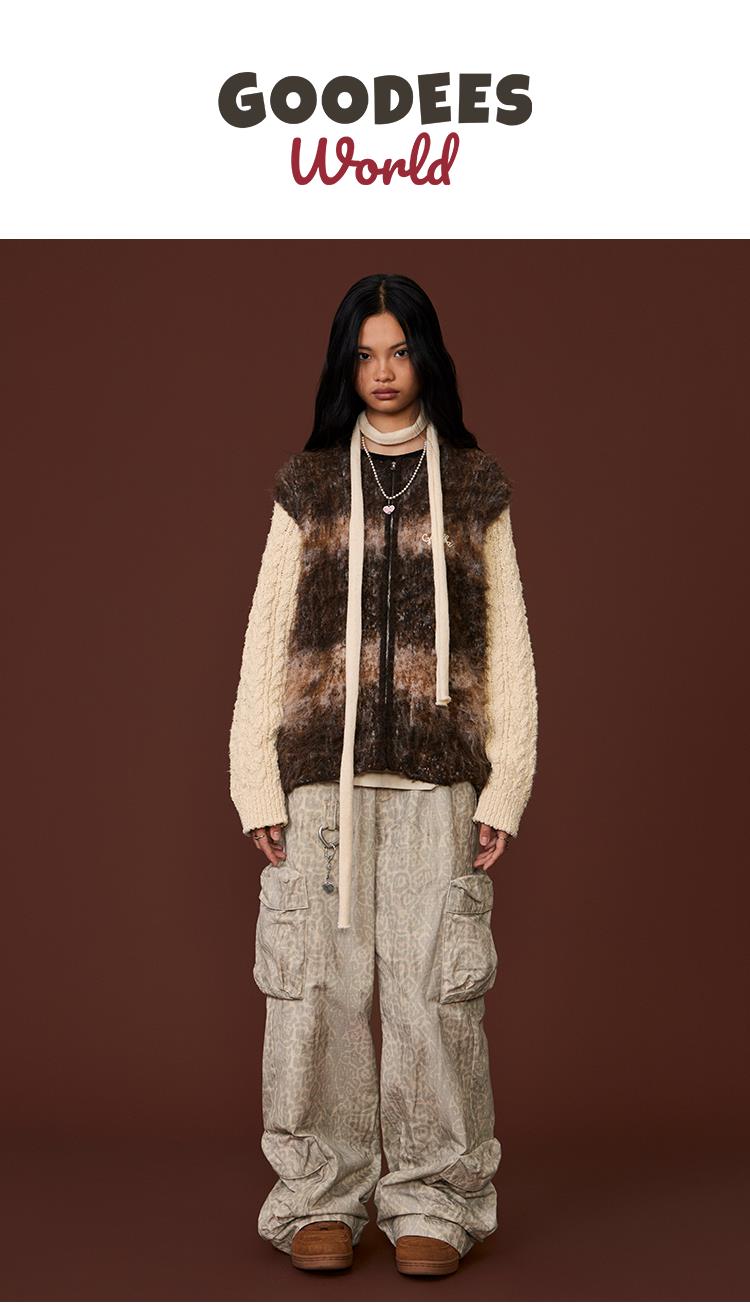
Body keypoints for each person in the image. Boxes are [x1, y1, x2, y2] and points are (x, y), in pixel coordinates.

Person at [228, 272, 538, 1277]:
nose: (384, 372)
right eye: (365, 355)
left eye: (399, 351)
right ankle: (321, 1193)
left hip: (439, 779)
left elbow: (510, 645)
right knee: (315, 991)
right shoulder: (310, 484)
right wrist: (255, 781)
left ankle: (434, 1198)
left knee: (433, 993)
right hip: (322, 779)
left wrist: (506, 785)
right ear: (344, 366)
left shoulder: (477, 487)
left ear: (426, 358)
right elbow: (266, 633)